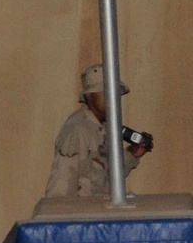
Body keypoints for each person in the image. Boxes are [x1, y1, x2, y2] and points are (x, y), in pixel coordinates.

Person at [46, 62, 152, 197]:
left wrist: (133, 154)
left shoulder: (104, 127)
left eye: (114, 92)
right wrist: (61, 216)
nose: (111, 97)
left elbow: (106, 178)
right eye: (105, 91)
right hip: (84, 215)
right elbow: (61, 186)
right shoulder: (78, 130)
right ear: (89, 96)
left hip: (101, 212)